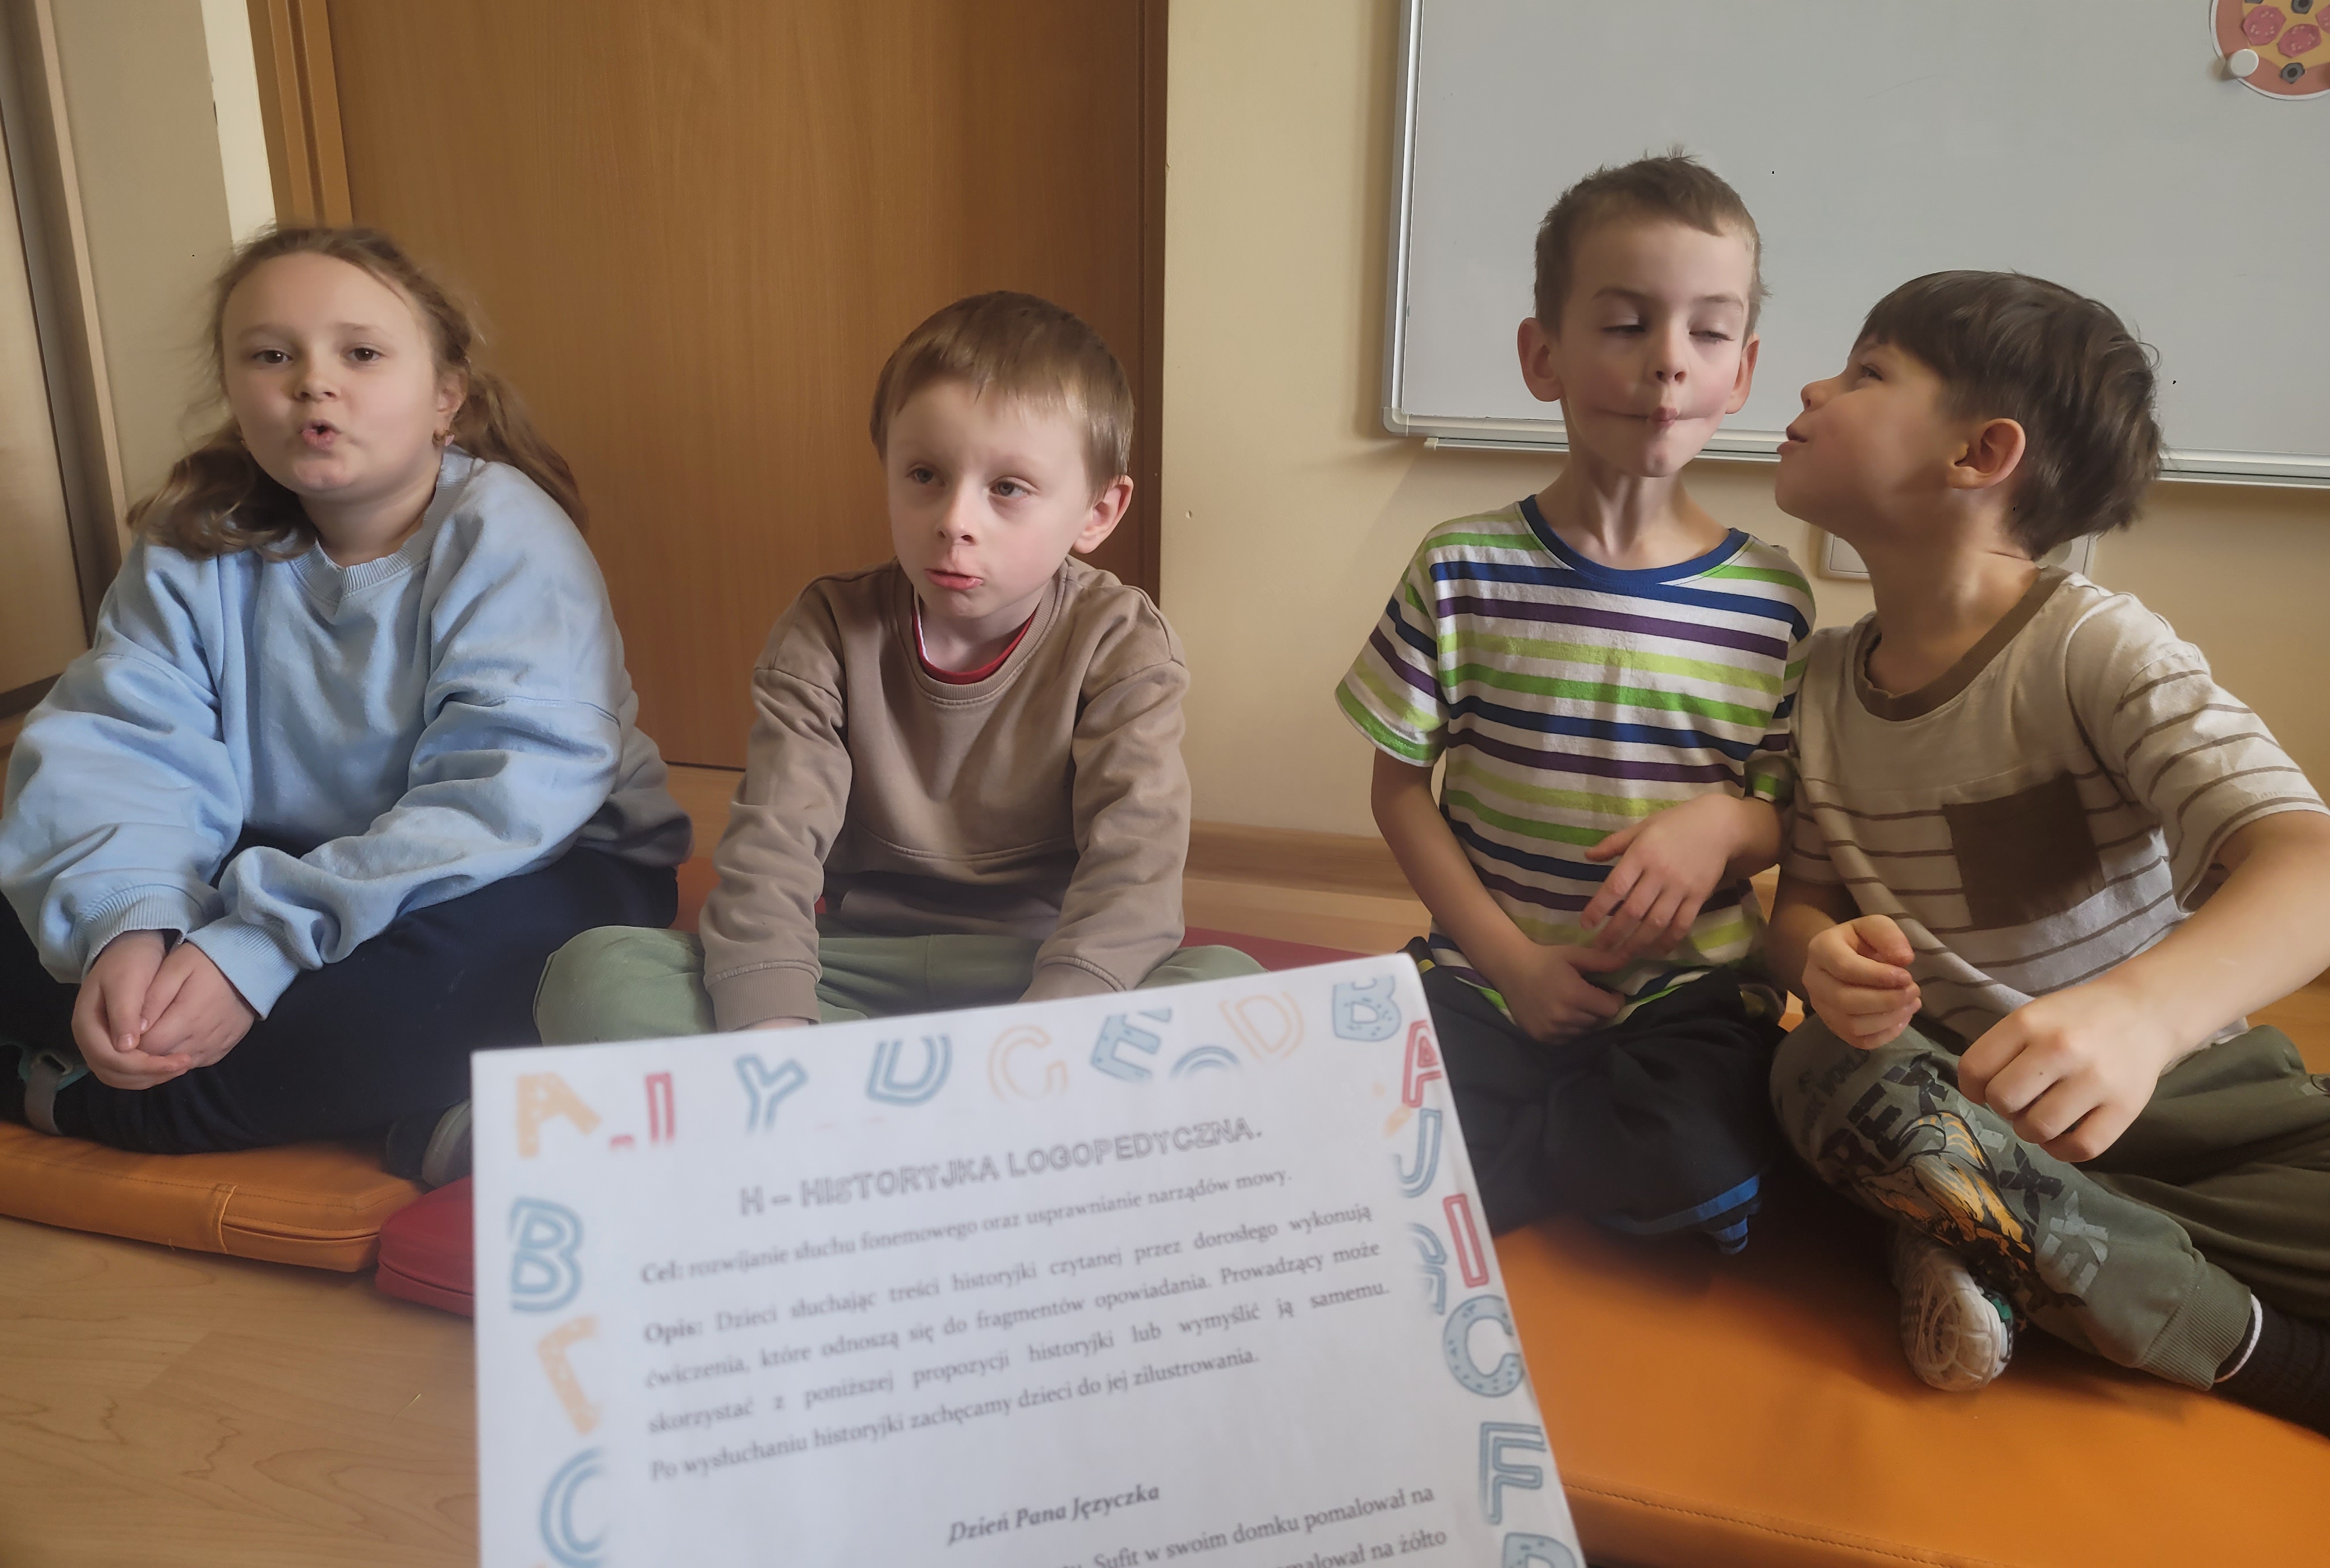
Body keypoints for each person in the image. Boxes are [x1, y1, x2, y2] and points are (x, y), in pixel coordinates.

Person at [0, 225, 689, 1182]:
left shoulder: (506, 537)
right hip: (288, 863)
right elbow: (124, 745)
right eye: (271, 356)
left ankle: (79, 1098)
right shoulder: (194, 540)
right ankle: (214, 1070)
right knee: (41, 910)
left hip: (526, 865)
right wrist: (130, 923)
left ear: (446, 396)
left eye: (361, 354)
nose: (314, 384)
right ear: (234, 389)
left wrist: (255, 948)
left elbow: (504, 799)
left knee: (476, 988)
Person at [1765, 269, 2330, 1435]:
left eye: (1866, 373)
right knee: (1812, 1074)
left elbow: (2308, 863)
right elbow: (1799, 913)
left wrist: (2139, 1020)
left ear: (1981, 453)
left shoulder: (2092, 645)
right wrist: (1819, 958)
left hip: (2206, 1113)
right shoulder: (1815, 685)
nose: (1813, 389)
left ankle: (1992, 1245)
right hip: (1964, 1110)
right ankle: (2251, 1348)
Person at [537, 291, 1254, 1042]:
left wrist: (1044, 1039)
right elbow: (771, 855)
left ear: (1098, 512)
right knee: (592, 976)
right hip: (854, 969)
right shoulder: (825, 632)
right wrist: (776, 1036)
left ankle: (890, 1095)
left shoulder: (1122, 642)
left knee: (1231, 991)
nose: (955, 521)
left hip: (1038, 976)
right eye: (925, 475)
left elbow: (1134, 873)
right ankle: (887, 1089)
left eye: (1008, 488)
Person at [1337, 154, 1813, 1249]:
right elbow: (1399, 790)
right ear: (1542, 355)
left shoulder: (1773, 598)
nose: (1668, 362)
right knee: (1359, 1150)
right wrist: (1513, 968)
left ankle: (1537, 1144)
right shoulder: (1461, 567)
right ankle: (1559, 1134)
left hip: (1686, 995)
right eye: (1627, 324)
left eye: (1708, 332)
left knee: (1702, 1179)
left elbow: (1788, 811)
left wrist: (1724, 825)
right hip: (1486, 978)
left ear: (1742, 370)